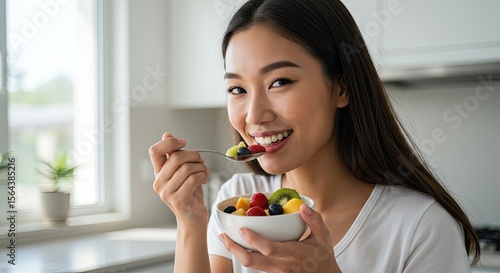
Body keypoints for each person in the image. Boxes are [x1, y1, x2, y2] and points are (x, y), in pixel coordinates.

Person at [148, 0, 481, 272]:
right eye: (237, 89)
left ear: (341, 88)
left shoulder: (421, 228)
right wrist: (190, 225)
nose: (253, 115)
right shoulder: (240, 202)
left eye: (280, 82)